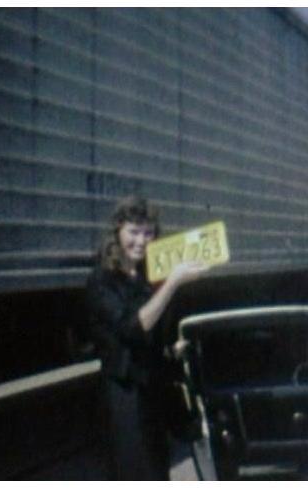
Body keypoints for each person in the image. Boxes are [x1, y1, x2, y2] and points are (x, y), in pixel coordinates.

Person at [86, 196, 207, 480]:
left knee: (157, 469)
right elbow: (133, 328)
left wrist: (174, 346)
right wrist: (173, 283)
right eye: (134, 232)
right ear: (117, 232)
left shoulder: (147, 276)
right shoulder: (101, 280)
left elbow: (159, 329)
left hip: (154, 388)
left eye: (148, 233)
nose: (141, 241)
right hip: (125, 394)